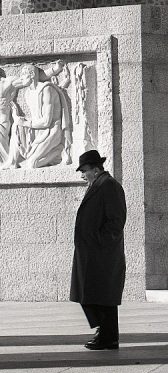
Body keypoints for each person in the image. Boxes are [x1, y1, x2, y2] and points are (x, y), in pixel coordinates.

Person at [71, 150, 126, 350]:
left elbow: (116, 221)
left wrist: (100, 242)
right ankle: (105, 333)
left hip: (102, 254)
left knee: (102, 296)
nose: (82, 175)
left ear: (96, 169)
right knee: (91, 294)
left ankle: (108, 336)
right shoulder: (98, 185)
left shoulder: (109, 186)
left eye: (84, 170)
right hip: (92, 253)